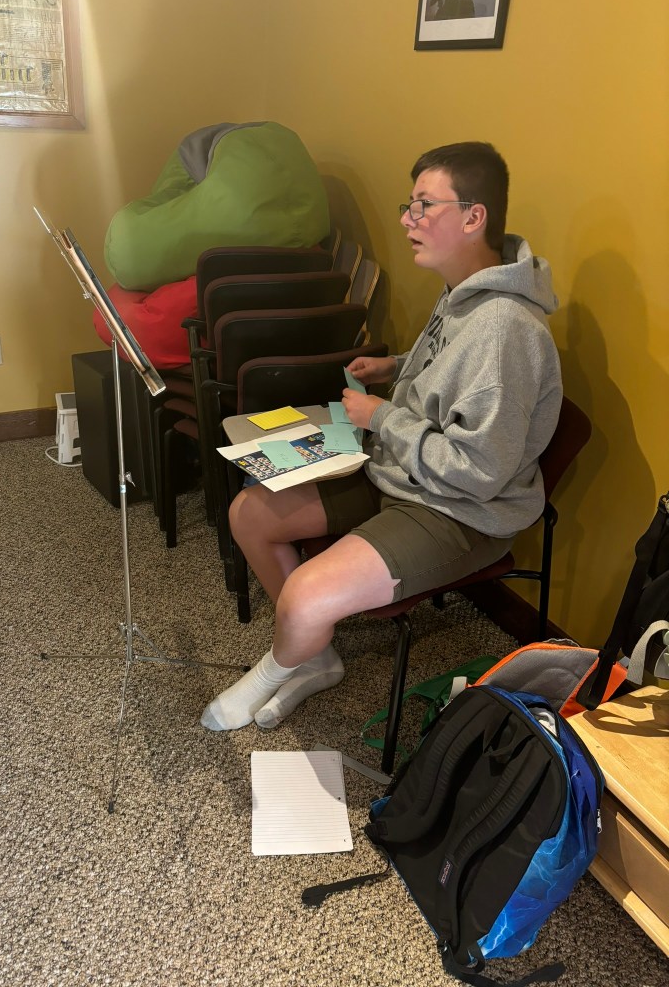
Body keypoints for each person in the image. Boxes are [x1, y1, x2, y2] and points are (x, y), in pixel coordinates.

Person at [200, 141, 562, 733]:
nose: (407, 220)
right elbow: (453, 370)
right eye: (408, 205)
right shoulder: (464, 289)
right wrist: (395, 366)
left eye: (424, 206)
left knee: (304, 597)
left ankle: (276, 665)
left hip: (458, 508)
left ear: (473, 217)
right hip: (401, 468)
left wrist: (382, 418)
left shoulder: (506, 328)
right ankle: (314, 655)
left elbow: (480, 471)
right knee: (249, 514)